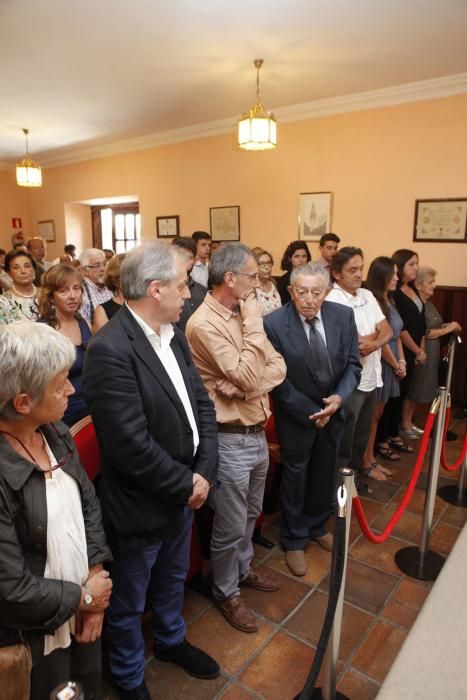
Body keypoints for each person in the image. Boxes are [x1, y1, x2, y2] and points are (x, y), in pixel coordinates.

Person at [82, 242, 219, 700]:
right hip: (142, 502)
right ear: (156, 289)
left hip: (184, 493)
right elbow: (129, 446)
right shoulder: (110, 349)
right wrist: (188, 483)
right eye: (183, 285)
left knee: (172, 578)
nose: (190, 293)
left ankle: (171, 641)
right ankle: (128, 677)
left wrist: (205, 469)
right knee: (128, 601)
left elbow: (201, 404)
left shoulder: (172, 332)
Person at [0, 321, 112, 700]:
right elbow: (11, 588)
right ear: (23, 403)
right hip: (34, 634)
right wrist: (83, 598)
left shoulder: (55, 431)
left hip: (80, 607)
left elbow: (88, 504)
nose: (72, 389)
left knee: (83, 687)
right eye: (61, 382)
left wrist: (94, 589)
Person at [186, 243, 286, 632]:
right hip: (228, 438)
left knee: (250, 513)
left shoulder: (239, 312)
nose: (258, 283)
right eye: (252, 276)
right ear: (230, 279)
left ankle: (242, 572)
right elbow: (250, 374)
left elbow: (279, 366)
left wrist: (245, 387)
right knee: (228, 524)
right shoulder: (204, 323)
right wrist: (255, 323)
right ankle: (225, 591)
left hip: (256, 430)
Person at [264, 262, 361, 575]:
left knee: (324, 471)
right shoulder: (274, 324)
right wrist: (311, 412)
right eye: (301, 291)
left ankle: (317, 526)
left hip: (333, 412)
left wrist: (338, 399)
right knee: (295, 477)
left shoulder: (342, 316)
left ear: (327, 292)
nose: (308, 298)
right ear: (291, 291)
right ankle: (293, 539)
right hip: (296, 415)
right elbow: (277, 381)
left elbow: (352, 365)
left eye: (315, 292)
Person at [327, 247, 392, 484]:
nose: (358, 274)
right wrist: (375, 339)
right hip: (349, 382)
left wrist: (374, 341)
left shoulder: (366, 294)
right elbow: (353, 346)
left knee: (361, 438)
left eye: (361, 269)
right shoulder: (331, 300)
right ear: (336, 274)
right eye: (352, 270)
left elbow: (387, 329)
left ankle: (350, 484)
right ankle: (336, 493)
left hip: (372, 377)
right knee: (345, 440)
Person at [362, 257, 410, 480]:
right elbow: (380, 340)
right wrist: (395, 363)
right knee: (371, 417)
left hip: (392, 364)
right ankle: (366, 462)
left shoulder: (389, 299)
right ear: (382, 276)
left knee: (378, 415)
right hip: (380, 362)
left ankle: (371, 459)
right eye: (393, 274)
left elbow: (396, 334)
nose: (397, 278)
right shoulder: (374, 300)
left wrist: (402, 361)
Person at [38, 264, 92, 427]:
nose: (73, 296)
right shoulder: (44, 331)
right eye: (64, 291)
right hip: (64, 413)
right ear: (51, 296)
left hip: (94, 404)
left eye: (77, 289)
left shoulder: (84, 323)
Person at [409, 266, 462, 407]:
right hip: (422, 350)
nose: (434, 285)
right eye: (430, 282)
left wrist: (450, 325)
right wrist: (448, 329)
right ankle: (405, 423)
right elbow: (424, 332)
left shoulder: (429, 304)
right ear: (419, 285)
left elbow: (435, 326)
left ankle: (409, 422)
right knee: (415, 388)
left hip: (432, 353)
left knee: (423, 388)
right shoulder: (416, 305)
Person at [392, 249, 427, 439]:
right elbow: (401, 327)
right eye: (411, 264)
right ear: (400, 267)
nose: (416, 267)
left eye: (417, 263)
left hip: (416, 347)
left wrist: (421, 347)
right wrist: (415, 349)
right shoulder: (396, 292)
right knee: (399, 392)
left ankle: (404, 424)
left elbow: (421, 320)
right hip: (404, 348)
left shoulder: (412, 288)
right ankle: (395, 430)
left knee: (408, 389)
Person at [171, 237, 207, 332]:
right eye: (179, 256)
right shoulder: (165, 291)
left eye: (188, 257)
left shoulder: (202, 290)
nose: (182, 261)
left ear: (195, 260)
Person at [0, 250, 39, 324]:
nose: (23, 271)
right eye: (16, 268)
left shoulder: (47, 295)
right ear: (9, 273)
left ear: (34, 270)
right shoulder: (3, 302)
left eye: (27, 266)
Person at [92, 253, 126, 332]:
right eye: (128, 274)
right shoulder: (103, 311)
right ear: (115, 280)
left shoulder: (143, 305)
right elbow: (102, 343)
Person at [78, 248, 113, 324]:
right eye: (97, 266)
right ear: (84, 270)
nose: (103, 269)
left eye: (104, 264)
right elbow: (84, 326)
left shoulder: (111, 288)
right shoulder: (81, 292)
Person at [277, 240, 311, 305]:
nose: (301, 260)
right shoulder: (283, 281)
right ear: (290, 258)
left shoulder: (311, 278)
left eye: (304, 256)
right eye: (297, 256)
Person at [253, 248, 282, 316]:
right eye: (262, 263)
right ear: (254, 265)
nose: (267, 267)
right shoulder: (252, 287)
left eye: (269, 263)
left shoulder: (273, 283)